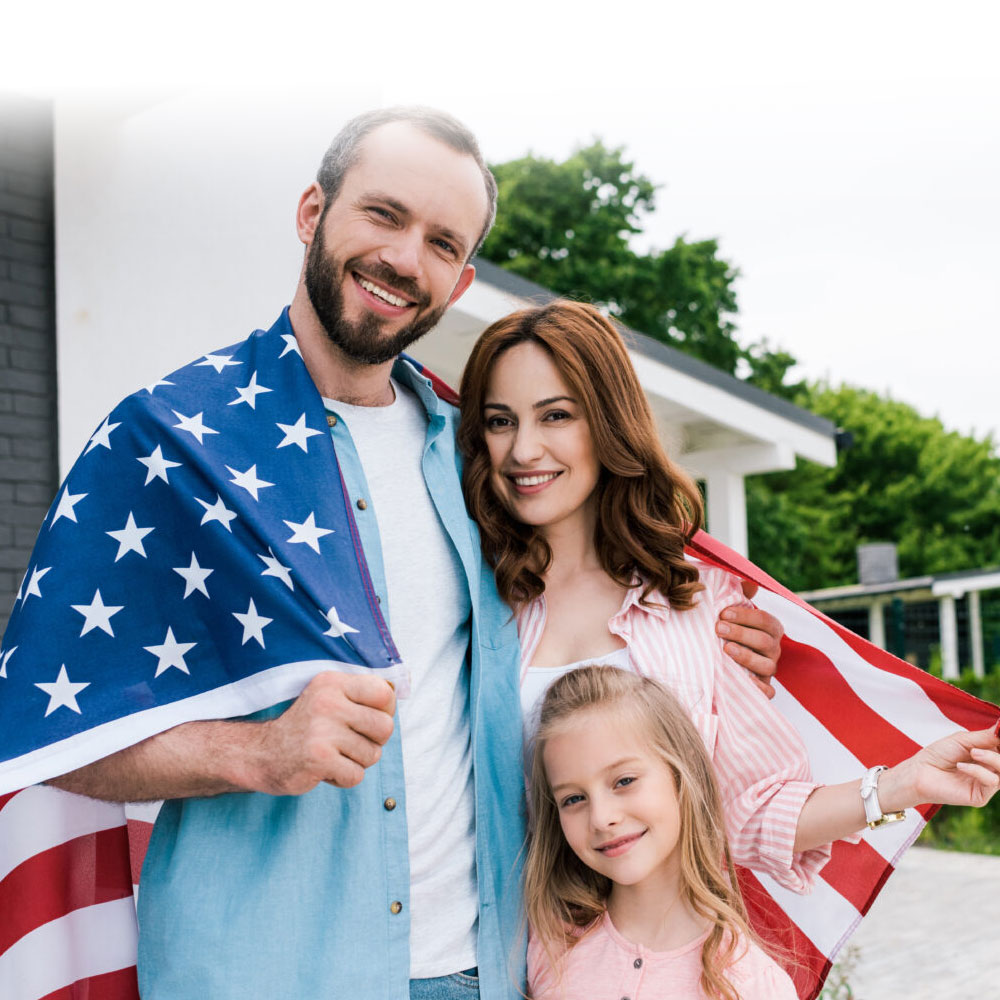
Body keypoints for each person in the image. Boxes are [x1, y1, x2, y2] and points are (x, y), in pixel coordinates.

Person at [0, 108, 781, 1000]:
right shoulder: (170, 440)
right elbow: (43, 731)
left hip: (484, 968)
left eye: (442, 242)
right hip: (263, 974)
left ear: (460, 279)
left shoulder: (476, 458)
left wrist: (710, 632)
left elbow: (584, 577)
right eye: (383, 214)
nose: (406, 259)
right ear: (311, 212)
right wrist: (252, 754)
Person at [457, 299, 1000, 893]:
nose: (523, 451)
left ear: (608, 422)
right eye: (500, 420)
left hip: (655, 958)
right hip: (487, 960)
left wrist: (902, 785)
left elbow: (749, 813)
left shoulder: (700, 600)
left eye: (555, 416)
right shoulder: (462, 591)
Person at [524, 665, 797, 1000]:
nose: (601, 818)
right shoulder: (551, 947)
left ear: (681, 776)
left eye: (624, 781)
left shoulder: (750, 983)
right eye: (574, 799)